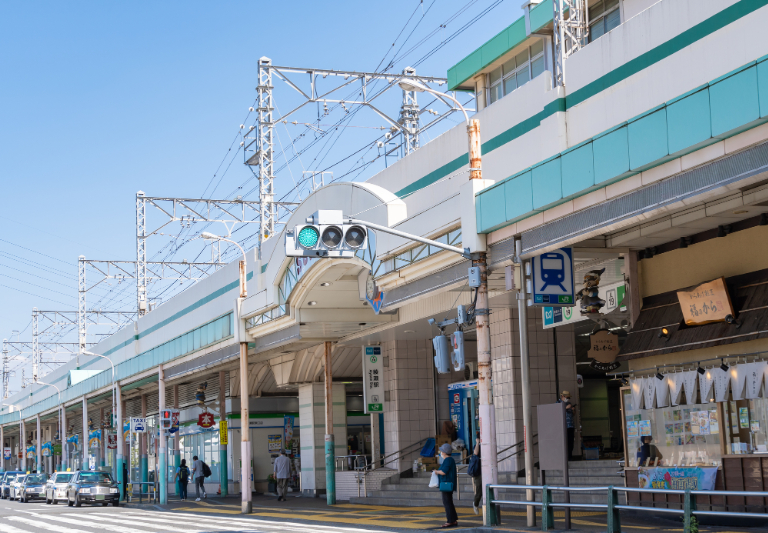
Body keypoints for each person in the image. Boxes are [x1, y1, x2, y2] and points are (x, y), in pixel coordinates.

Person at [434, 443, 458, 528]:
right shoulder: (450, 460)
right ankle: (453, 519)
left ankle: (450, 521)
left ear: (444, 452)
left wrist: (436, 472)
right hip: (448, 484)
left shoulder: (448, 460)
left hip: (446, 484)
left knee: (447, 502)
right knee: (449, 502)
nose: (440, 452)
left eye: (441, 451)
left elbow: (444, 471)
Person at [559, 391, 576, 460]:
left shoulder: (569, 403)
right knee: (564, 442)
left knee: (570, 442)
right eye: (567, 397)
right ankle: (564, 457)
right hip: (563, 427)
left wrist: (573, 410)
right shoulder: (558, 403)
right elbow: (556, 412)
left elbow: (573, 414)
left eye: (569, 397)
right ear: (563, 396)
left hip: (571, 426)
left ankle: (570, 456)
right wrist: (565, 408)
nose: (568, 399)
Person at [470, 435, 482, 515]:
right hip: (478, 471)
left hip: (486, 470)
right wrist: (477, 443)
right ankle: (476, 503)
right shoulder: (477, 446)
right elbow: (476, 452)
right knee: (479, 489)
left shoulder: (488, 444)